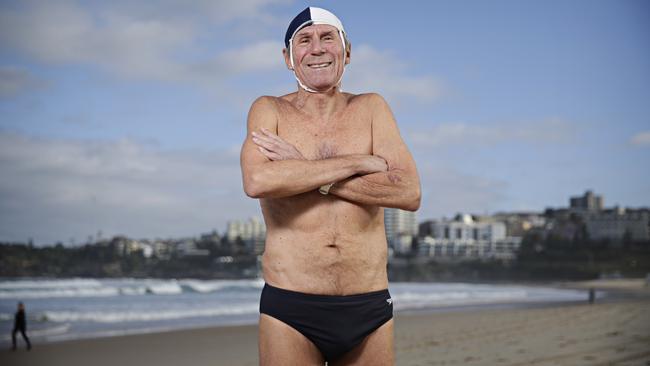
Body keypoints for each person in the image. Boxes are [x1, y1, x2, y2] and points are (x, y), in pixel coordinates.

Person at [240, 6, 421, 365]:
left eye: (327, 38)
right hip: (291, 307)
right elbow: (258, 180)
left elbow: (408, 191)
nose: (317, 48)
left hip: (368, 305)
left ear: (347, 51)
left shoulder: (371, 108)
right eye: (304, 40)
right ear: (289, 58)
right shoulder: (269, 109)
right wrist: (358, 163)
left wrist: (306, 171)